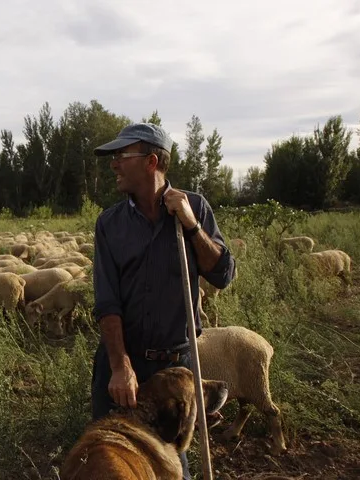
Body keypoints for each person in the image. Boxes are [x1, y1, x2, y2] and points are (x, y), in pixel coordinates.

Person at [90, 122, 236, 480]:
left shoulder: (195, 207)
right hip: (125, 363)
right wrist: (120, 366)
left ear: (151, 161)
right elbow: (107, 302)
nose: (114, 164)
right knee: (114, 460)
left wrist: (191, 225)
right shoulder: (110, 223)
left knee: (172, 466)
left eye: (121, 156)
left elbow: (223, 274)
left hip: (175, 368)